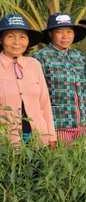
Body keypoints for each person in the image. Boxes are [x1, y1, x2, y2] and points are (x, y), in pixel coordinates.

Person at [34, 13, 86, 146]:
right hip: (58, 126)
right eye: (60, 32)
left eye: (69, 32)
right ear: (51, 34)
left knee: (80, 164)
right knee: (59, 164)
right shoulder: (40, 57)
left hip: (82, 125)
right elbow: (37, 96)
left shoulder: (79, 56)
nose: (65, 36)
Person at [0, 14, 56, 147]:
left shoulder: (34, 64)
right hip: (6, 143)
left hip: (37, 140)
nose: (17, 42)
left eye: (22, 37)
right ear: (1, 40)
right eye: (10, 36)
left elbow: (44, 104)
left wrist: (51, 136)